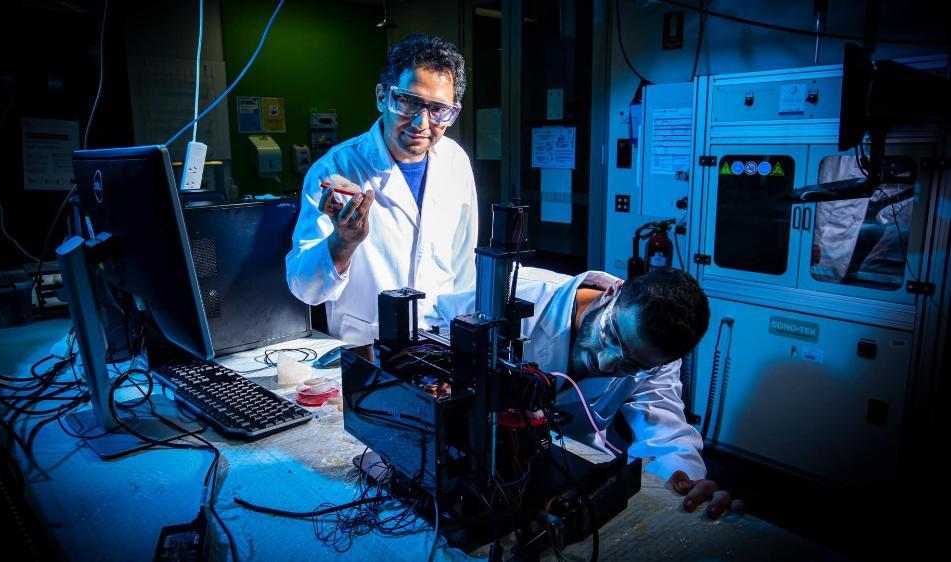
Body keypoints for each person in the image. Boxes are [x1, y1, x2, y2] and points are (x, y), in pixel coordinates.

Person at [428, 267, 744, 518]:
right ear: (610, 294)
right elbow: (431, 324)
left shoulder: (654, 361)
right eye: (612, 335)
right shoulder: (517, 294)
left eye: (628, 365)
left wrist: (682, 485)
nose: (605, 363)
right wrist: (445, 377)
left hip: (567, 472)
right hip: (477, 461)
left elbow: (667, 437)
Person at [286, 34, 478, 347]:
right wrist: (342, 242)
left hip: (441, 347)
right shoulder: (334, 169)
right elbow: (304, 288)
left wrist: (465, 346)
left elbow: (463, 266)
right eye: (408, 102)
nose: (421, 123)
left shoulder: (455, 161)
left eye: (439, 109)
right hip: (366, 350)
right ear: (382, 97)